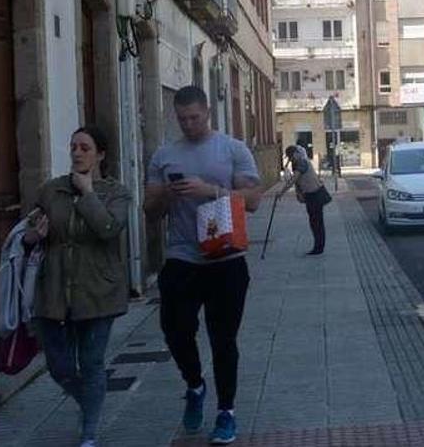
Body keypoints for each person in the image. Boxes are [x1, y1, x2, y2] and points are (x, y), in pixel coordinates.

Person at [144, 86, 262, 445]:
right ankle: (195, 385)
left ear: (207, 112)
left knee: (222, 339)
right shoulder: (164, 155)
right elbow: (149, 212)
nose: (190, 124)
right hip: (182, 256)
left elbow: (254, 200)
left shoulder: (232, 149)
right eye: (182, 119)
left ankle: (226, 412)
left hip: (226, 257)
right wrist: (167, 191)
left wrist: (211, 191)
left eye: (195, 117)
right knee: (175, 330)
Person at [23, 126, 132, 447]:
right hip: (55, 290)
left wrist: (88, 194)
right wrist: (32, 236)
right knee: (59, 366)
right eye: (73, 147)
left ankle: (89, 431)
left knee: (92, 362)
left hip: (98, 291)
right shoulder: (51, 191)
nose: (77, 153)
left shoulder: (116, 193)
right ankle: (89, 404)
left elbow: (109, 229)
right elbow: (30, 233)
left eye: (85, 147)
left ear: (100, 154)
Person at [285, 145, 330, 255]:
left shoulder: (302, 162)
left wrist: (281, 193)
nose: (291, 159)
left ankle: (319, 248)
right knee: (314, 222)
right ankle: (318, 246)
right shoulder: (297, 164)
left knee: (317, 222)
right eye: (289, 157)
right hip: (310, 196)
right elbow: (297, 182)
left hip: (316, 194)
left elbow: (293, 179)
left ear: (296, 153)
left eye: (291, 156)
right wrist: (298, 193)